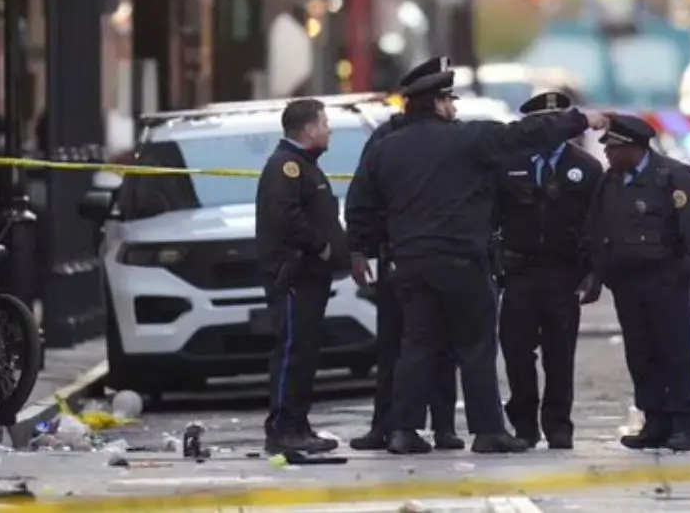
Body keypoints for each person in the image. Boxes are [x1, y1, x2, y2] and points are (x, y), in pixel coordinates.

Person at [345, 57, 609, 455]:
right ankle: (488, 431)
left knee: (417, 345)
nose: (454, 107)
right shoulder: (468, 139)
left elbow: (362, 202)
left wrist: (361, 249)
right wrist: (581, 120)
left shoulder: (386, 148)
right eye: (449, 99)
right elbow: (525, 134)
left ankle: (403, 430)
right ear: (436, 103)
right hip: (461, 260)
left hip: (411, 262)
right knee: (475, 345)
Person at [583, 114, 690, 452]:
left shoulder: (672, 177)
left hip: (666, 282)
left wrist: (684, 273)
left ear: (635, 147)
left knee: (675, 352)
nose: (609, 156)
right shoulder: (610, 182)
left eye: (614, 149)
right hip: (628, 284)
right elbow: (597, 228)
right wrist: (602, 274)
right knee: (641, 354)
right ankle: (654, 420)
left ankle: (683, 423)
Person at [350, 60, 462, 452]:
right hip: (397, 255)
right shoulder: (385, 138)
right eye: (446, 97)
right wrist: (361, 248)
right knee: (393, 346)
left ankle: (444, 425)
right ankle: (386, 424)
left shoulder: (453, 136)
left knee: (441, 346)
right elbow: (363, 198)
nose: (452, 105)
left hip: (427, 255)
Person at [494, 90, 603, 450]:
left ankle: (558, 424)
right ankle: (523, 422)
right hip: (519, 272)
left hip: (563, 273)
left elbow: (596, 226)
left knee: (560, 354)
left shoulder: (585, 168)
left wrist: (593, 273)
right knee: (516, 351)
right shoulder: (510, 163)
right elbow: (491, 217)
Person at [254, 98, 349, 454]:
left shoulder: (303, 165)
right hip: (296, 275)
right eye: (324, 123)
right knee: (293, 351)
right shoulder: (287, 167)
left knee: (305, 352)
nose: (329, 130)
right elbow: (286, 217)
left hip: (310, 276)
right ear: (308, 129)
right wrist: (321, 246)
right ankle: (282, 429)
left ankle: (298, 424)